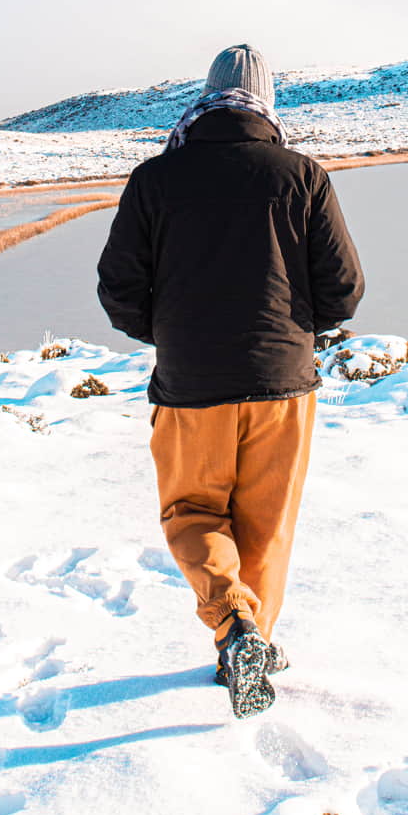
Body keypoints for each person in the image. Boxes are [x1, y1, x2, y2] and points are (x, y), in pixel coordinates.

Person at [97, 44, 364, 717]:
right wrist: (298, 335)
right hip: (284, 383)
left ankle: (233, 629)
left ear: (204, 98)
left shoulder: (156, 179)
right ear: (267, 104)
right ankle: (253, 642)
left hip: (191, 385)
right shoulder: (302, 175)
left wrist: (172, 335)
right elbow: (343, 290)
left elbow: (118, 287)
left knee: (192, 512)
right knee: (266, 526)